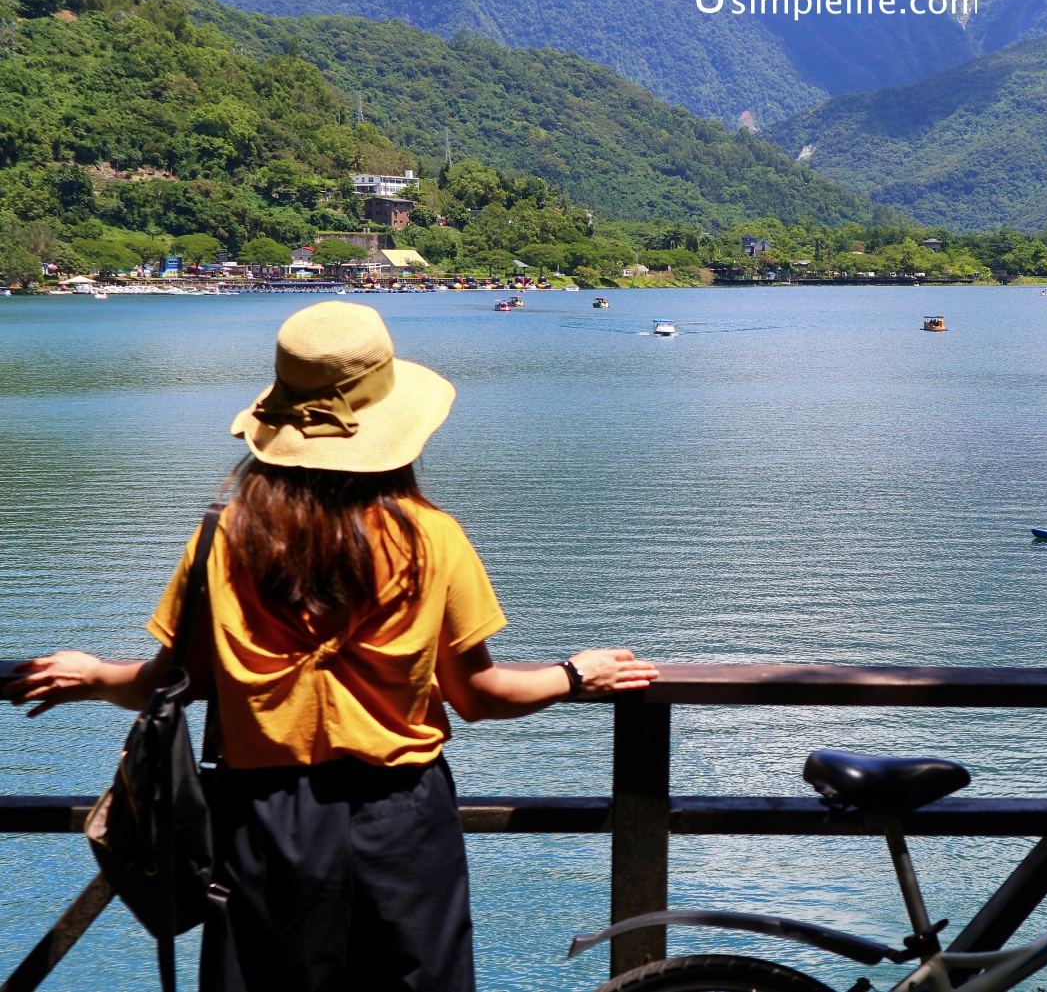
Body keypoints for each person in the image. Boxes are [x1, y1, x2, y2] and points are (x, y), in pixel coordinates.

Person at [5, 301, 658, 991]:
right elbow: (479, 696)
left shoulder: (224, 539)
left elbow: (173, 681)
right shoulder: (432, 538)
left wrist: (94, 674)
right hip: (402, 817)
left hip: (263, 820)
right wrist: (574, 673)